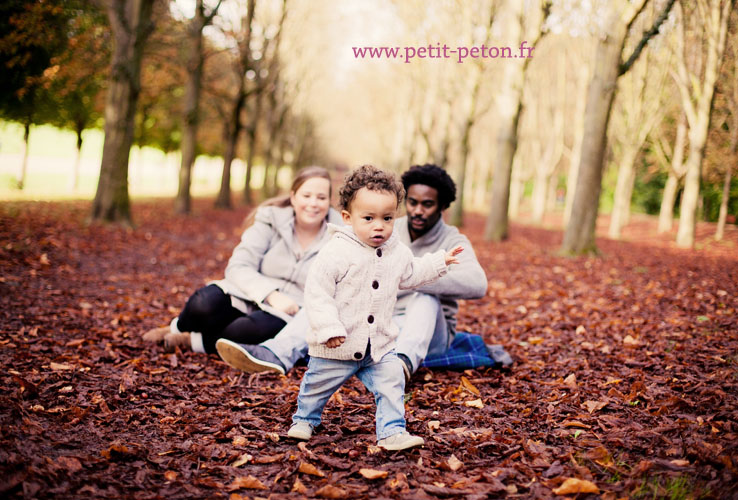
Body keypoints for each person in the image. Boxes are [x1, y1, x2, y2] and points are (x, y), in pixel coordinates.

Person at [214, 163, 487, 379]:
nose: (417, 210)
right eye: (412, 202)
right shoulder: (388, 227)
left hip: (428, 333)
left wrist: (413, 276)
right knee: (332, 297)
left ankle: (400, 365)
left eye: (427, 204)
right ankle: (274, 353)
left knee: (426, 298)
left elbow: (477, 284)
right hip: (381, 321)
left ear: (442, 206)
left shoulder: (453, 240)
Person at [285, 165, 462, 451]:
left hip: (378, 346)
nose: (379, 225)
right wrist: (328, 328)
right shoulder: (336, 251)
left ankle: (392, 431)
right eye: (368, 218)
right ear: (347, 217)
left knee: (392, 382)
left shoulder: (396, 249)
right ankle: (305, 418)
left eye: (387, 218)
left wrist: (439, 262)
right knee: (317, 385)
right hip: (337, 344)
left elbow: (411, 273)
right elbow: (318, 293)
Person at [142, 166, 342, 356]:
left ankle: (191, 341)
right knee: (202, 304)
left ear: (329, 202)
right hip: (247, 292)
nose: (313, 203)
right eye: (306, 196)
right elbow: (238, 266)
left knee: (243, 332)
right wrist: (270, 294)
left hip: (291, 310)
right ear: (293, 197)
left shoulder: (339, 237)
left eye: (321, 197)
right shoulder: (271, 220)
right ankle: (175, 328)